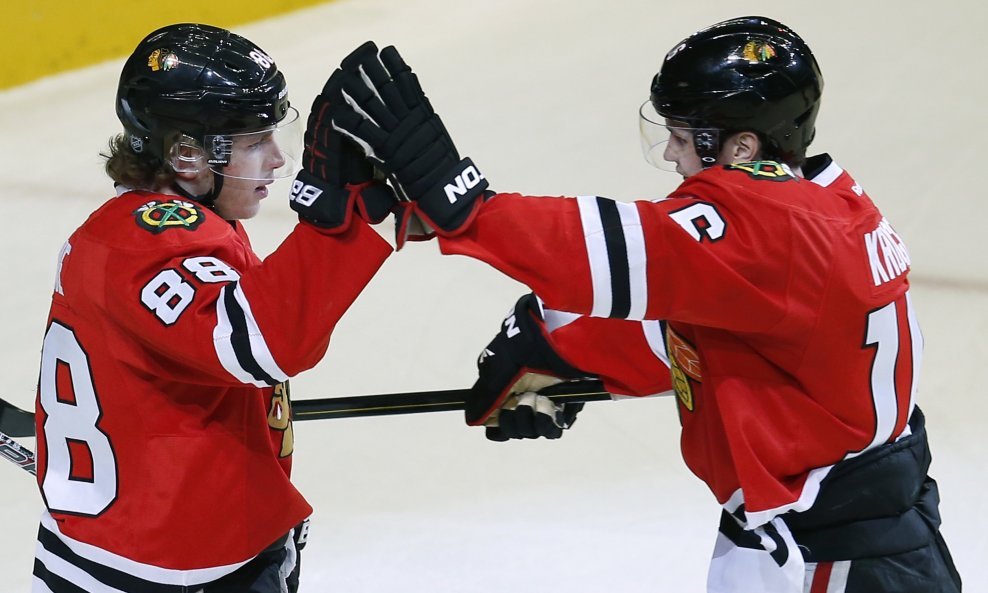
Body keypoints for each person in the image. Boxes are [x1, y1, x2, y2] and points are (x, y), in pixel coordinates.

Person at [329, 17, 962, 593]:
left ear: (741, 148)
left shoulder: (770, 228)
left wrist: (464, 206)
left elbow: (609, 248)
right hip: (841, 529)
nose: (669, 154)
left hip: (836, 558)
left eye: (684, 137)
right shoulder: (824, 203)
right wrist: (567, 359)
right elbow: (707, 329)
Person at [32, 23, 396, 593]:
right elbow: (269, 345)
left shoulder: (159, 229)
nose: (278, 159)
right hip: (172, 568)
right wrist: (350, 224)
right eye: (254, 142)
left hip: (129, 546)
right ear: (187, 154)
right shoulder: (149, 245)